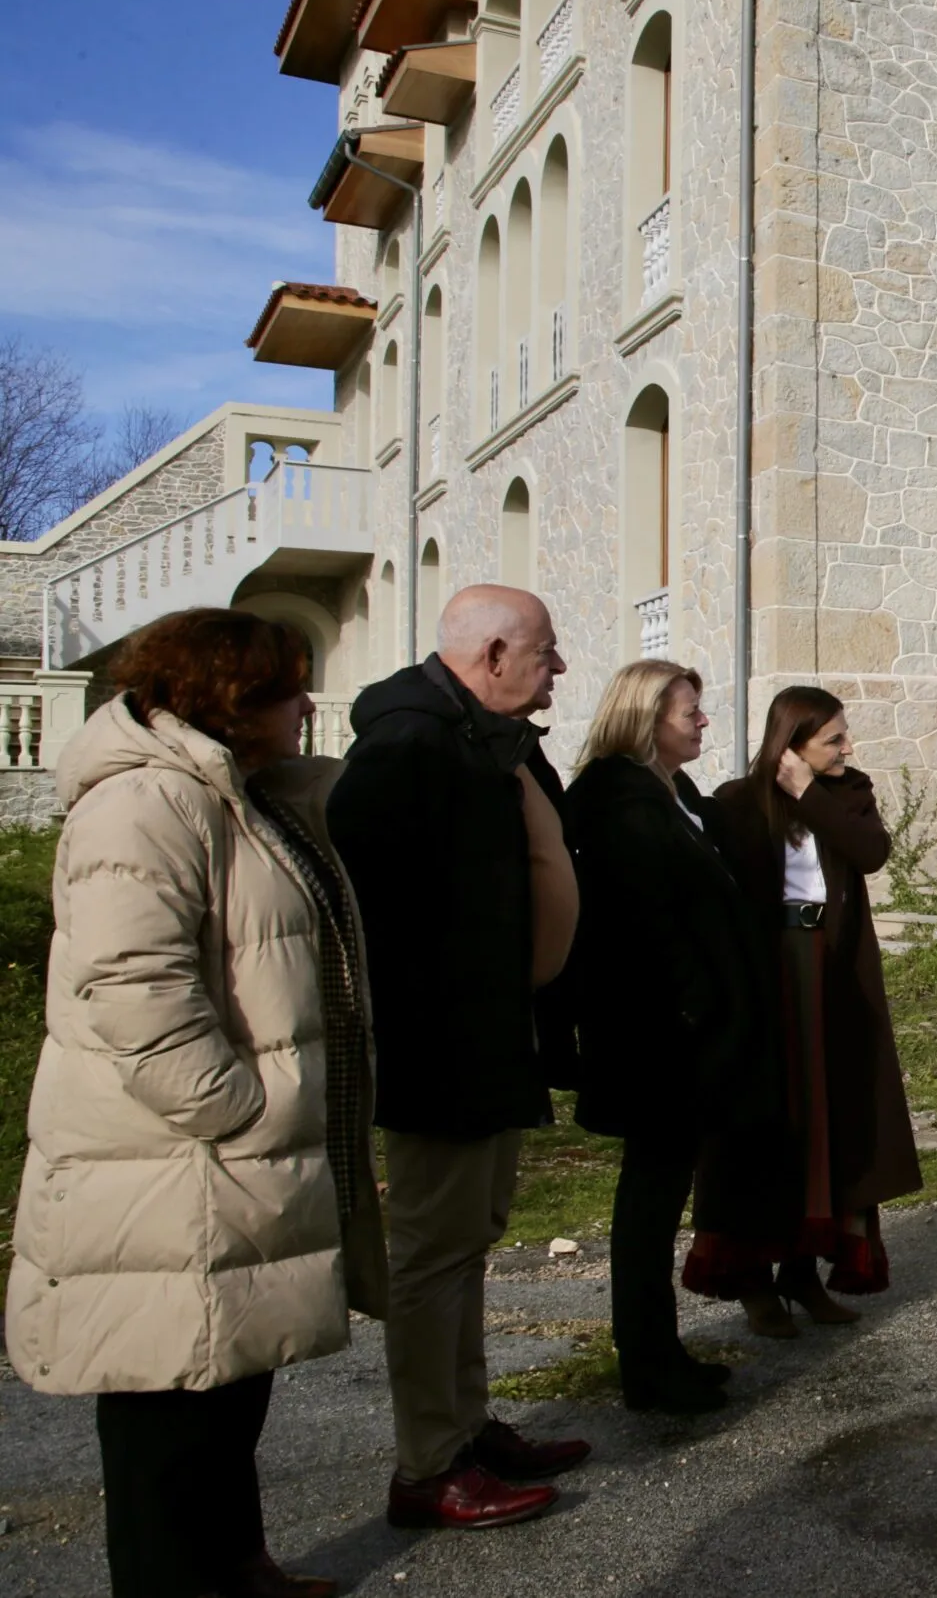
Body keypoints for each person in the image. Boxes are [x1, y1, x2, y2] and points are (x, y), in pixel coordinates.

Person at [7, 608, 380, 1598]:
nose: (307, 705)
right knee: (165, 1408)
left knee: (227, 1375)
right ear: (232, 696)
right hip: (169, 1162)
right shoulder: (143, 804)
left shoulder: (238, 796)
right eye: (289, 688)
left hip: (219, 1166)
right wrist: (238, 1109)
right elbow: (134, 984)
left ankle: (236, 1567)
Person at [327, 585, 588, 1530]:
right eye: (546, 652)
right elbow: (371, 909)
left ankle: (468, 1428)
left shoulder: (486, 739)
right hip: (440, 1048)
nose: (558, 667)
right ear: (493, 656)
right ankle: (428, 1462)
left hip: (492, 1036)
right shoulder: (408, 745)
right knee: (435, 1253)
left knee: (471, 1238)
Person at [560, 661, 773, 1414]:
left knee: (661, 1193)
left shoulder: (671, 794)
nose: (703, 720)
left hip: (685, 1034)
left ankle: (661, 1351)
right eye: (690, 711)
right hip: (653, 1037)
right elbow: (642, 923)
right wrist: (694, 1005)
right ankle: (647, 1366)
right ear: (647, 718)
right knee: (648, 1202)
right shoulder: (615, 802)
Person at [685, 686, 922, 1335]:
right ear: (791, 744)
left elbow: (870, 853)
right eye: (833, 739)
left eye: (845, 735)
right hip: (767, 974)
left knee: (826, 1119)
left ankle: (804, 1272)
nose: (848, 747)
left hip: (832, 971)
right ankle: (753, 1281)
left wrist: (809, 792)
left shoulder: (847, 793)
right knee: (768, 1120)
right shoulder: (737, 801)